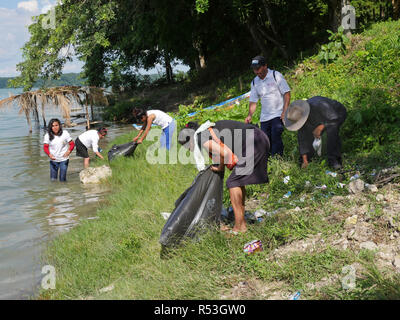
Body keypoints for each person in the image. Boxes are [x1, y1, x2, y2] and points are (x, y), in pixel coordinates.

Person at [178, 120, 270, 234]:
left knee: (233, 182)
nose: (188, 150)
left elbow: (225, 153)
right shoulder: (205, 131)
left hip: (253, 141)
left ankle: (240, 227)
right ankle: (241, 221)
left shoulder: (202, 137)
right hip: (258, 138)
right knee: (238, 181)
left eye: (186, 146)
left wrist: (221, 166)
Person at [283, 96, 347, 170]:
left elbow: (334, 118)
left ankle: (334, 161)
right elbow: (302, 138)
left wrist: (321, 127)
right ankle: (307, 161)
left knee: (332, 131)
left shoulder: (319, 106)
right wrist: (305, 160)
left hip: (337, 114)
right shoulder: (299, 116)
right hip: (322, 119)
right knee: (308, 134)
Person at [245, 55, 291, 157]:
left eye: (258, 69)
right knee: (265, 141)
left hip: (278, 114)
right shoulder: (255, 82)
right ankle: (269, 162)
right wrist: (249, 115)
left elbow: (287, 93)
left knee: (276, 136)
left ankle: (278, 159)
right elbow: (253, 101)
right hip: (264, 117)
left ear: (265, 66)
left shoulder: (276, 75)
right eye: (254, 70)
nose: (257, 72)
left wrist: (285, 111)